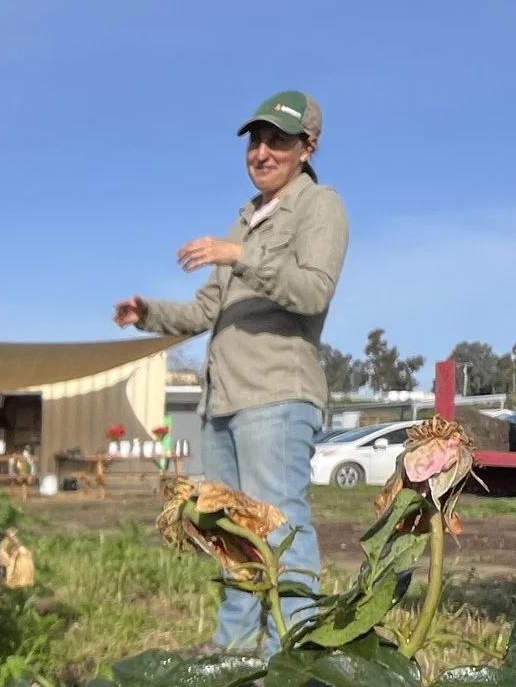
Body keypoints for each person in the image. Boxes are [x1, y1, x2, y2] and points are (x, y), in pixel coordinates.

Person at [116, 91, 349, 648]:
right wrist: (148, 313)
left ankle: (294, 662)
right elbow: (204, 311)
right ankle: (235, 657)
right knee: (232, 533)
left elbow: (313, 291)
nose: (262, 151)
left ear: (307, 147)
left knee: (280, 526)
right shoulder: (245, 220)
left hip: (274, 395)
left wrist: (239, 256)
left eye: (278, 140)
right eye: (255, 139)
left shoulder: (320, 206)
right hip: (221, 401)